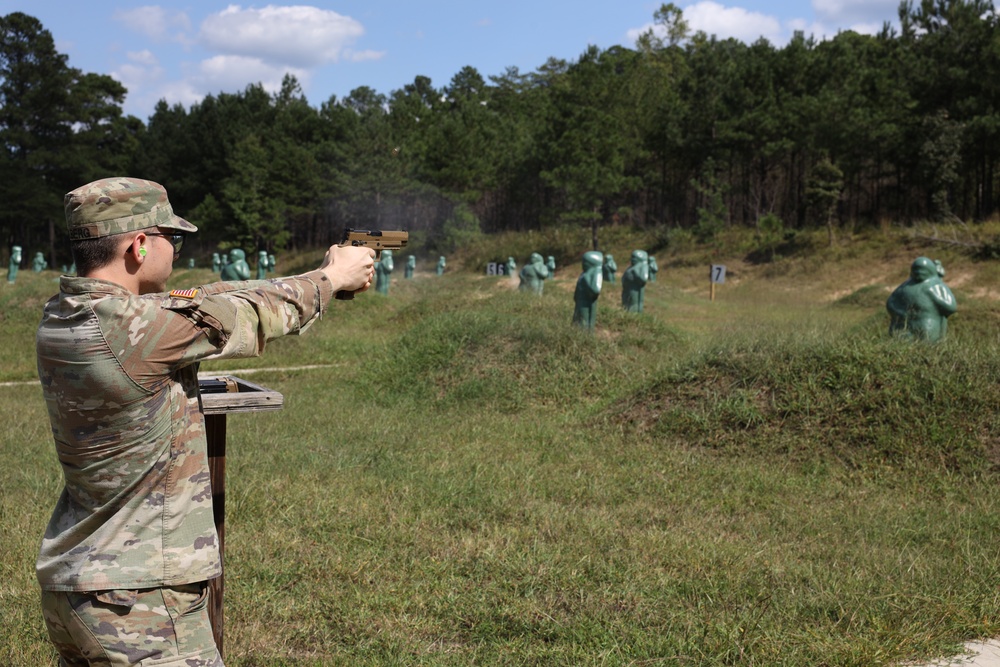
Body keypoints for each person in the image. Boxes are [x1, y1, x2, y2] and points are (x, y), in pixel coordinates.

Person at [35, 176, 375, 666]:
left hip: (84, 583)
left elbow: (207, 295)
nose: (175, 250)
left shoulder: (68, 312)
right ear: (138, 245)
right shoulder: (138, 330)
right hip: (139, 600)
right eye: (170, 239)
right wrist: (331, 281)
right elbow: (252, 313)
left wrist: (318, 271)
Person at [886, 256, 956, 342]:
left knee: (927, 346)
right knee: (901, 345)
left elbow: (951, 307)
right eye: (916, 269)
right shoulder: (906, 285)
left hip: (927, 325)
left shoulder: (936, 286)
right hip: (903, 325)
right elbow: (891, 302)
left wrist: (934, 295)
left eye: (923, 270)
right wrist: (898, 313)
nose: (919, 272)